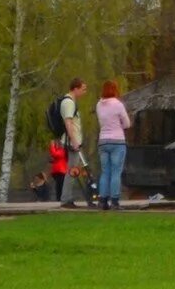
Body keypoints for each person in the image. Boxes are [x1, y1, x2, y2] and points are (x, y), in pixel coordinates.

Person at [50, 78, 89, 206]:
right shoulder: (69, 103)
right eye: (83, 89)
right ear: (75, 88)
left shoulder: (70, 102)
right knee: (72, 170)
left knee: (72, 169)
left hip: (72, 140)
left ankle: (67, 197)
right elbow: (68, 122)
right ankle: (66, 199)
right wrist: (74, 141)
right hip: (72, 141)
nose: (84, 92)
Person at [94, 80, 131, 209]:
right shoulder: (118, 104)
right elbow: (127, 123)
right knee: (116, 171)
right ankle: (114, 200)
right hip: (117, 141)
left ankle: (103, 200)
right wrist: (118, 126)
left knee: (105, 171)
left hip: (103, 140)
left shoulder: (99, 105)